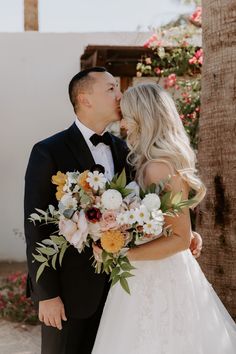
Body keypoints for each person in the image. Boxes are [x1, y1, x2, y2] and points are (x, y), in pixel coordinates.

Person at [24, 68, 202, 354]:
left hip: (123, 291)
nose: (120, 95)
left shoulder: (128, 152)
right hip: (71, 295)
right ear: (86, 99)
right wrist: (47, 295)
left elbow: (152, 205)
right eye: (110, 89)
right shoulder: (48, 151)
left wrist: (184, 233)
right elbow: (37, 228)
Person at [92, 83, 236, 354]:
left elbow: (180, 239)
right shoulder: (147, 163)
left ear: (141, 117)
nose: (122, 122)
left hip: (159, 275)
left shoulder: (158, 168)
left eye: (126, 114)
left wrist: (121, 255)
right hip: (145, 269)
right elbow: (173, 227)